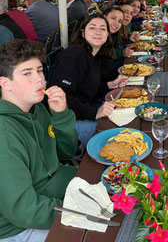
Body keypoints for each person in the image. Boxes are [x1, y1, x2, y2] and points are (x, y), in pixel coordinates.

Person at [0, 39, 77, 242]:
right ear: (4, 83)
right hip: (18, 228)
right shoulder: (4, 134)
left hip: (55, 190)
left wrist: (61, 115)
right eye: (27, 73)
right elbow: (24, 210)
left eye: (40, 70)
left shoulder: (36, 107)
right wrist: (77, 213)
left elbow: (66, 152)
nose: (39, 80)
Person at [47, 14, 128, 149]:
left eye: (102, 29)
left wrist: (110, 85)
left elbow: (88, 90)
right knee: (119, 133)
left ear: (107, 34)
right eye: (92, 28)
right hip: (63, 124)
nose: (98, 32)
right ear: (83, 33)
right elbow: (60, 97)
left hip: (80, 112)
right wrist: (94, 113)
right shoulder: (74, 55)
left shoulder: (92, 56)